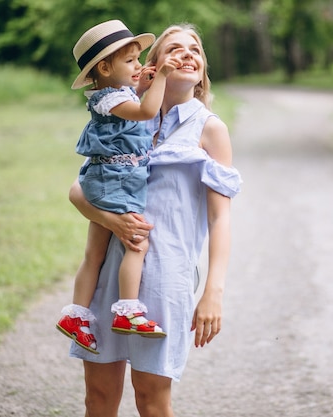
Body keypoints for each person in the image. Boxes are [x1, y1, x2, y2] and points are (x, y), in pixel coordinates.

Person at [67, 23, 242, 417]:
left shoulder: (210, 129)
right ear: (153, 65)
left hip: (166, 276)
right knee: (98, 396)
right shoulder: (125, 114)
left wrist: (213, 290)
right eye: (175, 48)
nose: (187, 54)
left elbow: (220, 220)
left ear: (201, 69)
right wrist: (113, 223)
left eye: (194, 49)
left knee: (151, 398)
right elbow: (79, 190)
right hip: (110, 273)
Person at [57, 20, 183, 354]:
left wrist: (141, 83)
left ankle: (76, 317)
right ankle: (129, 310)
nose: (139, 66)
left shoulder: (116, 93)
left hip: (106, 179)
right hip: (117, 183)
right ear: (105, 67)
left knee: (94, 254)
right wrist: (163, 79)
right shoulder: (109, 99)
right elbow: (144, 111)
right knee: (137, 243)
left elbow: (135, 100)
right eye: (130, 61)